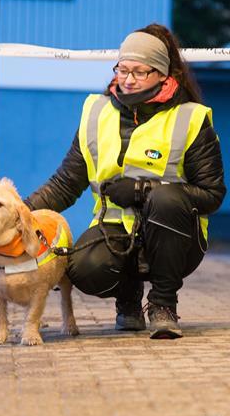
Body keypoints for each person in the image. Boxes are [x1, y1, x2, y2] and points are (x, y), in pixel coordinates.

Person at [24, 23, 226, 339]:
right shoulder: (95, 112)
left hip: (177, 237)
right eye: (122, 69)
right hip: (115, 230)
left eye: (140, 72)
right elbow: (66, 182)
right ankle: (127, 300)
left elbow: (212, 194)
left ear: (163, 74)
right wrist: (19, 214)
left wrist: (142, 190)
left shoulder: (191, 117)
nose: (128, 79)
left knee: (164, 198)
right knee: (84, 268)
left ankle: (163, 304)